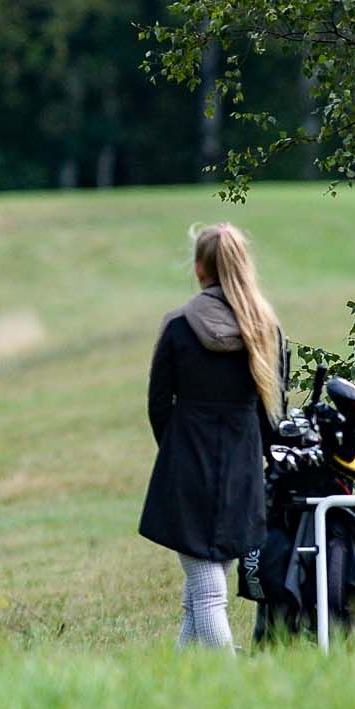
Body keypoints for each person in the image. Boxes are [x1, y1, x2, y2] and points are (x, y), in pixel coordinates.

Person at [140, 223, 283, 651]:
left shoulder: (178, 326)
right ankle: (180, 679)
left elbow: (158, 405)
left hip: (188, 469)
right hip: (242, 476)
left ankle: (230, 681)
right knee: (202, 591)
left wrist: (177, 454)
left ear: (199, 269)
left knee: (206, 596)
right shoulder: (266, 329)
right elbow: (271, 412)